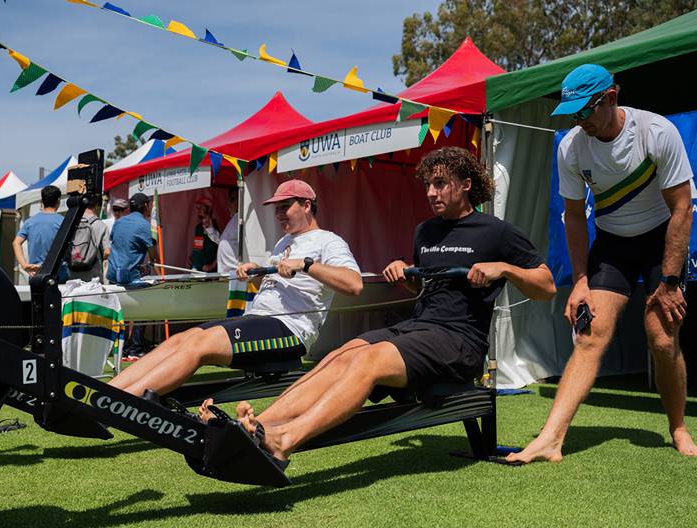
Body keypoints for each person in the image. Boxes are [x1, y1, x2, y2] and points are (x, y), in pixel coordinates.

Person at [229, 147, 555, 463]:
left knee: (368, 361)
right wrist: (406, 274)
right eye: (428, 184)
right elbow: (427, 286)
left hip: (459, 341)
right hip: (418, 327)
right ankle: (256, 425)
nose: (430, 192)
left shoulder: (497, 232)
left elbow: (547, 287)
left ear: (466, 184)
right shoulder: (425, 232)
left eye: (440, 183)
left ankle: (285, 440)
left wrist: (505, 269)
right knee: (342, 353)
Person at [508, 64, 696, 463]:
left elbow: (682, 209)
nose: (579, 122)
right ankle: (551, 439)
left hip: (662, 241)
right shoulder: (570, 147)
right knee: (590, 334)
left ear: (610, 97)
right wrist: (579, 281)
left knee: (662, 338)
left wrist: (671, 279)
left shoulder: (656, 132)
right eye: (572, 114)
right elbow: (574, 217)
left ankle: (678, 427)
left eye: (585, 111)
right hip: (612, 246)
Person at [109, 179, 363, 399]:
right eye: (277, 209)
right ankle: (107, 392)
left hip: (290, 331)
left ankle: (115, 404)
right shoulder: (284, 242)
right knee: (180, 339)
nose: (279, 214)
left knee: (198, 346)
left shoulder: (329, 241)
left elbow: (354, 284)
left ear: (307, 205)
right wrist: (255, 273)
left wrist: (307, 265)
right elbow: (275, 288)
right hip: (260, 319)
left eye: (285, 207)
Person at [107, 192, 156, 359]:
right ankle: (135, 348)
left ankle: (122, 347)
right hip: (129, 276)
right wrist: (150, 262)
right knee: (143, 308)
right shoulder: (143, 225)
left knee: (121, 311)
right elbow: (152, 252)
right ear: (145, 206)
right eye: (149, 204)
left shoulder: (119, 222)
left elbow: (116, 243)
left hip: (113, 274)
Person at [13, 185, 63, 277]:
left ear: (42, 201)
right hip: (57, 273)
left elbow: (16, 243)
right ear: (58, 201)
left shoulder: (29, 222)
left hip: (35, 273)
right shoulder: (63, 221)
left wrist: (24, 265)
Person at [66, 195, 111, 282]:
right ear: (96, 204)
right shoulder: (101, 225)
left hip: (72, 271)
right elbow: (107, 252)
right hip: (92, 272)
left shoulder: (72, 221)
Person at [190, 196, 220, 272]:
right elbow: (198, 246)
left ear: (208, 209)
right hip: (196, 270)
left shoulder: (216, 227)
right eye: (198, 206)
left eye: (201, 206)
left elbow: (222, 249)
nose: (198, 208)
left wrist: (213, 265)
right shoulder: (198, 227)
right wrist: (193, 257)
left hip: (209, 273)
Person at [217, 187, 240, 275]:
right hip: (225, 273)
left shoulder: (241, 219)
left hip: (234, 273)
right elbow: (224, 242)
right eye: (229, 200)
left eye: (233, 199)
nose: (229, 203)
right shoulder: (234, 219)